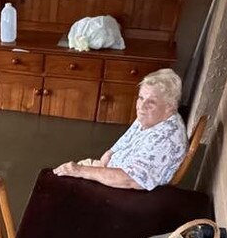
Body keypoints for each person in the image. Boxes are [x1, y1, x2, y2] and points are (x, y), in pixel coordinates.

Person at [53, 69, 188, 190]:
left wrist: (80, 170)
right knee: (59, 176)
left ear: (170, 107)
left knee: (62, 182)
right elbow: (126, 140)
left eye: (151, 103)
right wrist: (108, 155)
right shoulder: (152, 117)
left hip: (122, 190)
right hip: (110, 171)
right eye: (141, 98)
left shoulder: (165, 139)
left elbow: (130, 180)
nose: (141, 107)